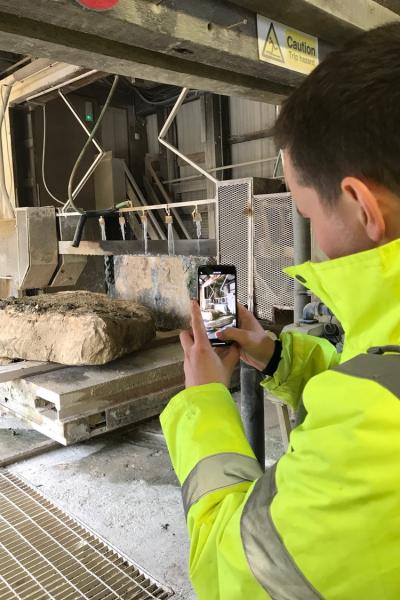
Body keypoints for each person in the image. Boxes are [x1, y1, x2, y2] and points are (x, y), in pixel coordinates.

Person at [160, 22, 400, 600]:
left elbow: (235, 567)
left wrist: (204, 403)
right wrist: (275, 357)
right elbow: (381, 379)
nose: (312, 238)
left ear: (363, 205)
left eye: (308, 214)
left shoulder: (375, 435)